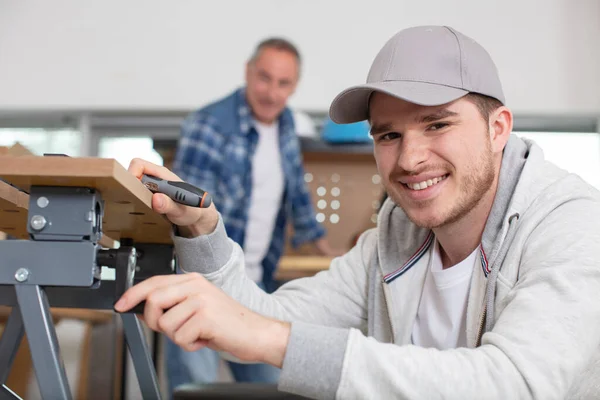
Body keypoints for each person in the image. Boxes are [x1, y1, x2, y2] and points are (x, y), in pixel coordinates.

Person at [116, 26, 600, 399]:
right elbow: (256, 318)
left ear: (498, 129)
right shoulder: (394, 239)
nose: (410, 159)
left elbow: (514, 386)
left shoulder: (569, 225)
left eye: (436, 124)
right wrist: (203, 229)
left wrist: (271, 340)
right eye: (389, 135)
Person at [165, 37, 341, 391]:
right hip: (199, 282)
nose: (272, 93)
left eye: (283, 83)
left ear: (294, 86)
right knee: (194, 388)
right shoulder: (210, 125)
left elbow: (298, 198)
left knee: (274, 386)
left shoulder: (288, 125)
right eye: (264, 78)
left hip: (254, 282)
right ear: (248, 72)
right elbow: (186, 210)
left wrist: (328, 253)